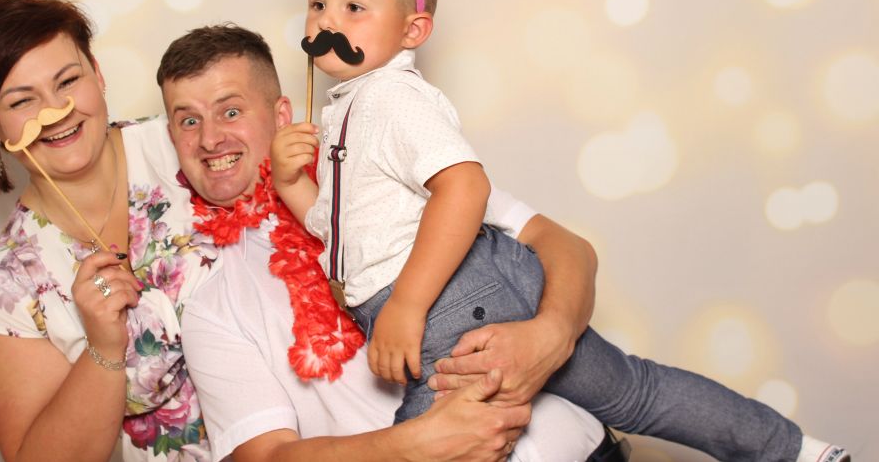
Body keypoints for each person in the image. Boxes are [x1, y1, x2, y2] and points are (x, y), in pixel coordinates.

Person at [269, 0, 849, 462]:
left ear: (413, 29)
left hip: (453, 304)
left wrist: (409, 305)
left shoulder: (392, 99)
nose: (327, 22)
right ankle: (798, 451)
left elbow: (464, 190)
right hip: (466, 292)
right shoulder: (354, 105)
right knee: (635, 392)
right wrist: (290, 182)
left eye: (354, 7)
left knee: (437, 443)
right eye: (318, 4)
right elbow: (349, 228)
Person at [168, 24, 625, 462]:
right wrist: (415, 447)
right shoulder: (213, 306)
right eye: (188, 120)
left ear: (281, 115)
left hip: (591, 447)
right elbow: (266, 457)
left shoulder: (375, 171)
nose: (210, 138)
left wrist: (552, 335)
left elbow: (567, 247)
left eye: (231, 112)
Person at [0, 0, 215, 462]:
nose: (56, 112)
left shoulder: (194, 141)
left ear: (97, 72)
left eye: (68, 81)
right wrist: (103, 349)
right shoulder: (7, 287)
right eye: (22, 101)